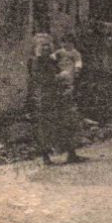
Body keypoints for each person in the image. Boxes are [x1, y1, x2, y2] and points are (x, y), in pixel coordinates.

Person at [26, 34, 86, 165]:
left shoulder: (52, 60)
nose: (46, 48)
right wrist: (60, 77)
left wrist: (65, 80)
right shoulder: (35, 62)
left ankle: (71, 153)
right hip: (44, 98)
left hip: (58, 96)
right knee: (45, 126)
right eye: (42, 45)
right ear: (36, 47)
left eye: (48, 45)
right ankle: (46, 157)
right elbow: (42, 80)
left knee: (67, 121)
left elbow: (62, 70)